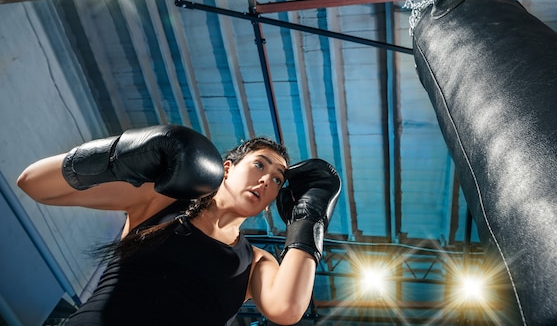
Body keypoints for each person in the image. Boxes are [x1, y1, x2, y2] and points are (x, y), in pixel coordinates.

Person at [17, 124, 341, 326]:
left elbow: (287, 309)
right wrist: (119, 153)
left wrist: (309, 217)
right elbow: (34, 183)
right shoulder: (162, 199)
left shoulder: (257, 261)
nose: (266, 181)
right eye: (259, 164)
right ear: (227, 168)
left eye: (277, 179)